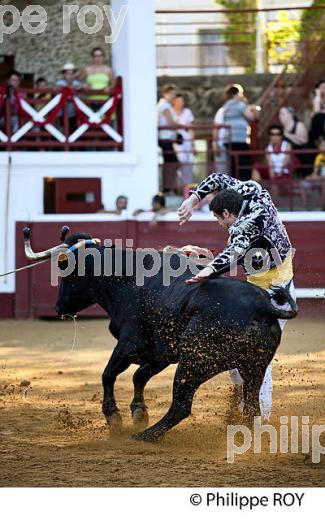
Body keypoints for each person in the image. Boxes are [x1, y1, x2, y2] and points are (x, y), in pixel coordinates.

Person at [178, 172, 296, 420]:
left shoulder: (245, 225)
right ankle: (243, 400)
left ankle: (260, 417)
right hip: (257, 285)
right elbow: (219, 177)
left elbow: (232, 253)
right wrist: (193, 198)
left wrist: (208, 271)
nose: (220, 225)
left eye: (218, 220)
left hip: (276, 292)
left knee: (257, 354)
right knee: (236, 351)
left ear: (227, 214)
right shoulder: (250, 188)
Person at [220, 84, 258, 181]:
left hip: (229, 138)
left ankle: (233, 182)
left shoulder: (226, 105)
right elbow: (250, 117)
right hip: (240, 139)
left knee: (232, 163)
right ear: (236, 94)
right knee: (243, 163)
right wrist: (253, 109)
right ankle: (243, 182)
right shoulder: (240, 105)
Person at [157, 84, 183, 192]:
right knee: (172, 162)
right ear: (165, 93)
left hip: (166, 138)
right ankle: (167, 188)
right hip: (165, 138)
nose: (173, 96)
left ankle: (168, 187)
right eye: (171, 93)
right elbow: (170, 122)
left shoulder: (164, 105)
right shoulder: (165, 106)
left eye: (174, 94)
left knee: (170, 162)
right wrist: (182, 126)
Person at [172, 94, 197, 185]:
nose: (180, 103)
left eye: (182, 101)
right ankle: (177, 186)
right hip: (175, 142)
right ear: (174, 102)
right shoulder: (170, 111)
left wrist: (193, 144)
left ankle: (187, 188)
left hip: (186, 141)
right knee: (179, 162)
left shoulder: (187, 112)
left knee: (188, 164)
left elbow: (190, 129)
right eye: (178, 101)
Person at [278, 106, 309, 175]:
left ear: (290, 114)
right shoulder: (282, 129)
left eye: (282, 114)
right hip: (288, 160)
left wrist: (287, 135)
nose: (280, 116)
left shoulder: (299, 125)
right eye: (279, 114)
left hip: (301, 159)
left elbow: (304, 141)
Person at [300, 135, 325, 210]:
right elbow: (315, 172)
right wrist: (311, 177)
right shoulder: (319, 157)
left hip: (323, 180)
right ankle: (305, 207)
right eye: (323, 145)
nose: (324, 147)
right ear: (319, 147)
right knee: (303, 183)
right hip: (319, 179)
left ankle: (322, 208)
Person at [56, 63, 81, 134]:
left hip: (74, 112)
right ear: (64, 75)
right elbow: (59, 87)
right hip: (62, 112)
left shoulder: (76, 83)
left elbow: (80, 86)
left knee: (73, 131)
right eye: (67, 73)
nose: (70, 76)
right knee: (62, 131)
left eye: (72, 73)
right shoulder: (60, 83)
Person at [309, 80, 325, 148]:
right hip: (319, 125)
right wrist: (318, 96)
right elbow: (317, 112)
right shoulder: (316, 99)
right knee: (317, 117)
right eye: (323, 87)